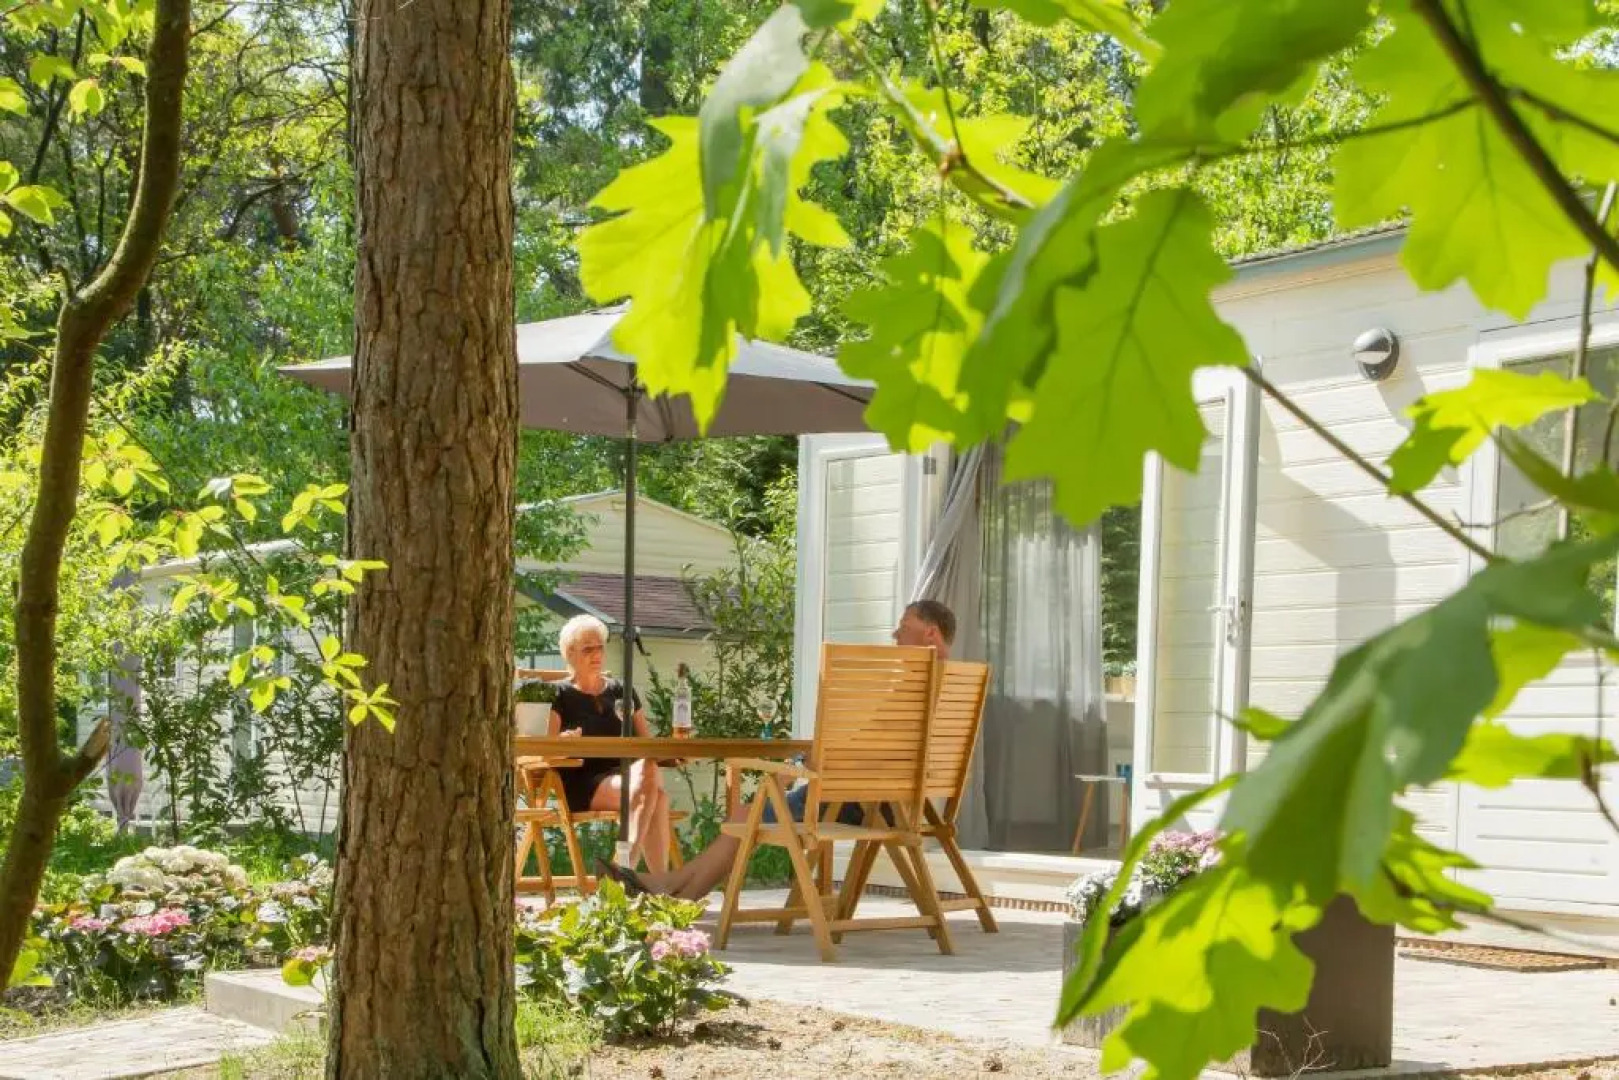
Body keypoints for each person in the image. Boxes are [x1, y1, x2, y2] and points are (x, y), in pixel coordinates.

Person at [604, 600, 956, 900]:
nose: (895, 635)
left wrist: (806, 762)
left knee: (745, 814)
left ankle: (670, 889)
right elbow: (880, 751)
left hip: (859, 802)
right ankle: (668, 886)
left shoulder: (911, 693)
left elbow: (844, 755)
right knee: (752, 811)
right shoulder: (949, 686)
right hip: (900, 803)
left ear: (931, 633)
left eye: (904, 626)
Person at [547, 614, 673, 874]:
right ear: (570, 653)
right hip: (584, 780)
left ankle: (633, 874)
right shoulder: (559, 694)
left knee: (654, 787)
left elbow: (646, 742)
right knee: (655, 794)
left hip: (629, 776)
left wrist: (673, 752)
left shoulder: (621, 691)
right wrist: (563, 741)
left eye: (600, 647)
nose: (596, 654)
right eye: (587, 649)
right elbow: (547, 748)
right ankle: (642, 877)